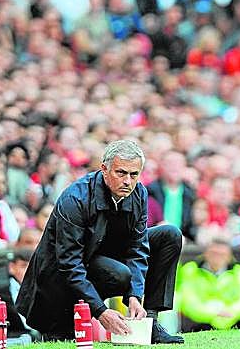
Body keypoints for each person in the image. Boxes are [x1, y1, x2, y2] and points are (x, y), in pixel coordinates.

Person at [15, 140, 184, 344]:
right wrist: (101, 311)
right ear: (104, 169)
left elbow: (137, 248)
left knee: (169, 235)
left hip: (102, 256)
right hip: (57, 276)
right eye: (120, 173)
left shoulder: (139, 193)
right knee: (120, 274)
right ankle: (67, 320)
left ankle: (149, 321)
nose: (128, 181)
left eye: (134, 174)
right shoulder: (75, 198)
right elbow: (69, 264)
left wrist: (135, 295)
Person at [176, 238, 240, 332]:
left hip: (234, 318)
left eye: (222, 254)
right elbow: (187, 300)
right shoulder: (190, 270)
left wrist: (232, 312)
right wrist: (213, 313)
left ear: (229, 256)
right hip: (201, 320)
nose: (217, 257)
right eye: (214, 253)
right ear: (206, 253)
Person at [0, 249, 41, 342]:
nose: (29, 271)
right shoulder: (2, 289)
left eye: (32, 266)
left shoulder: (38, 285)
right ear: (12, 268)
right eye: (24, 266)